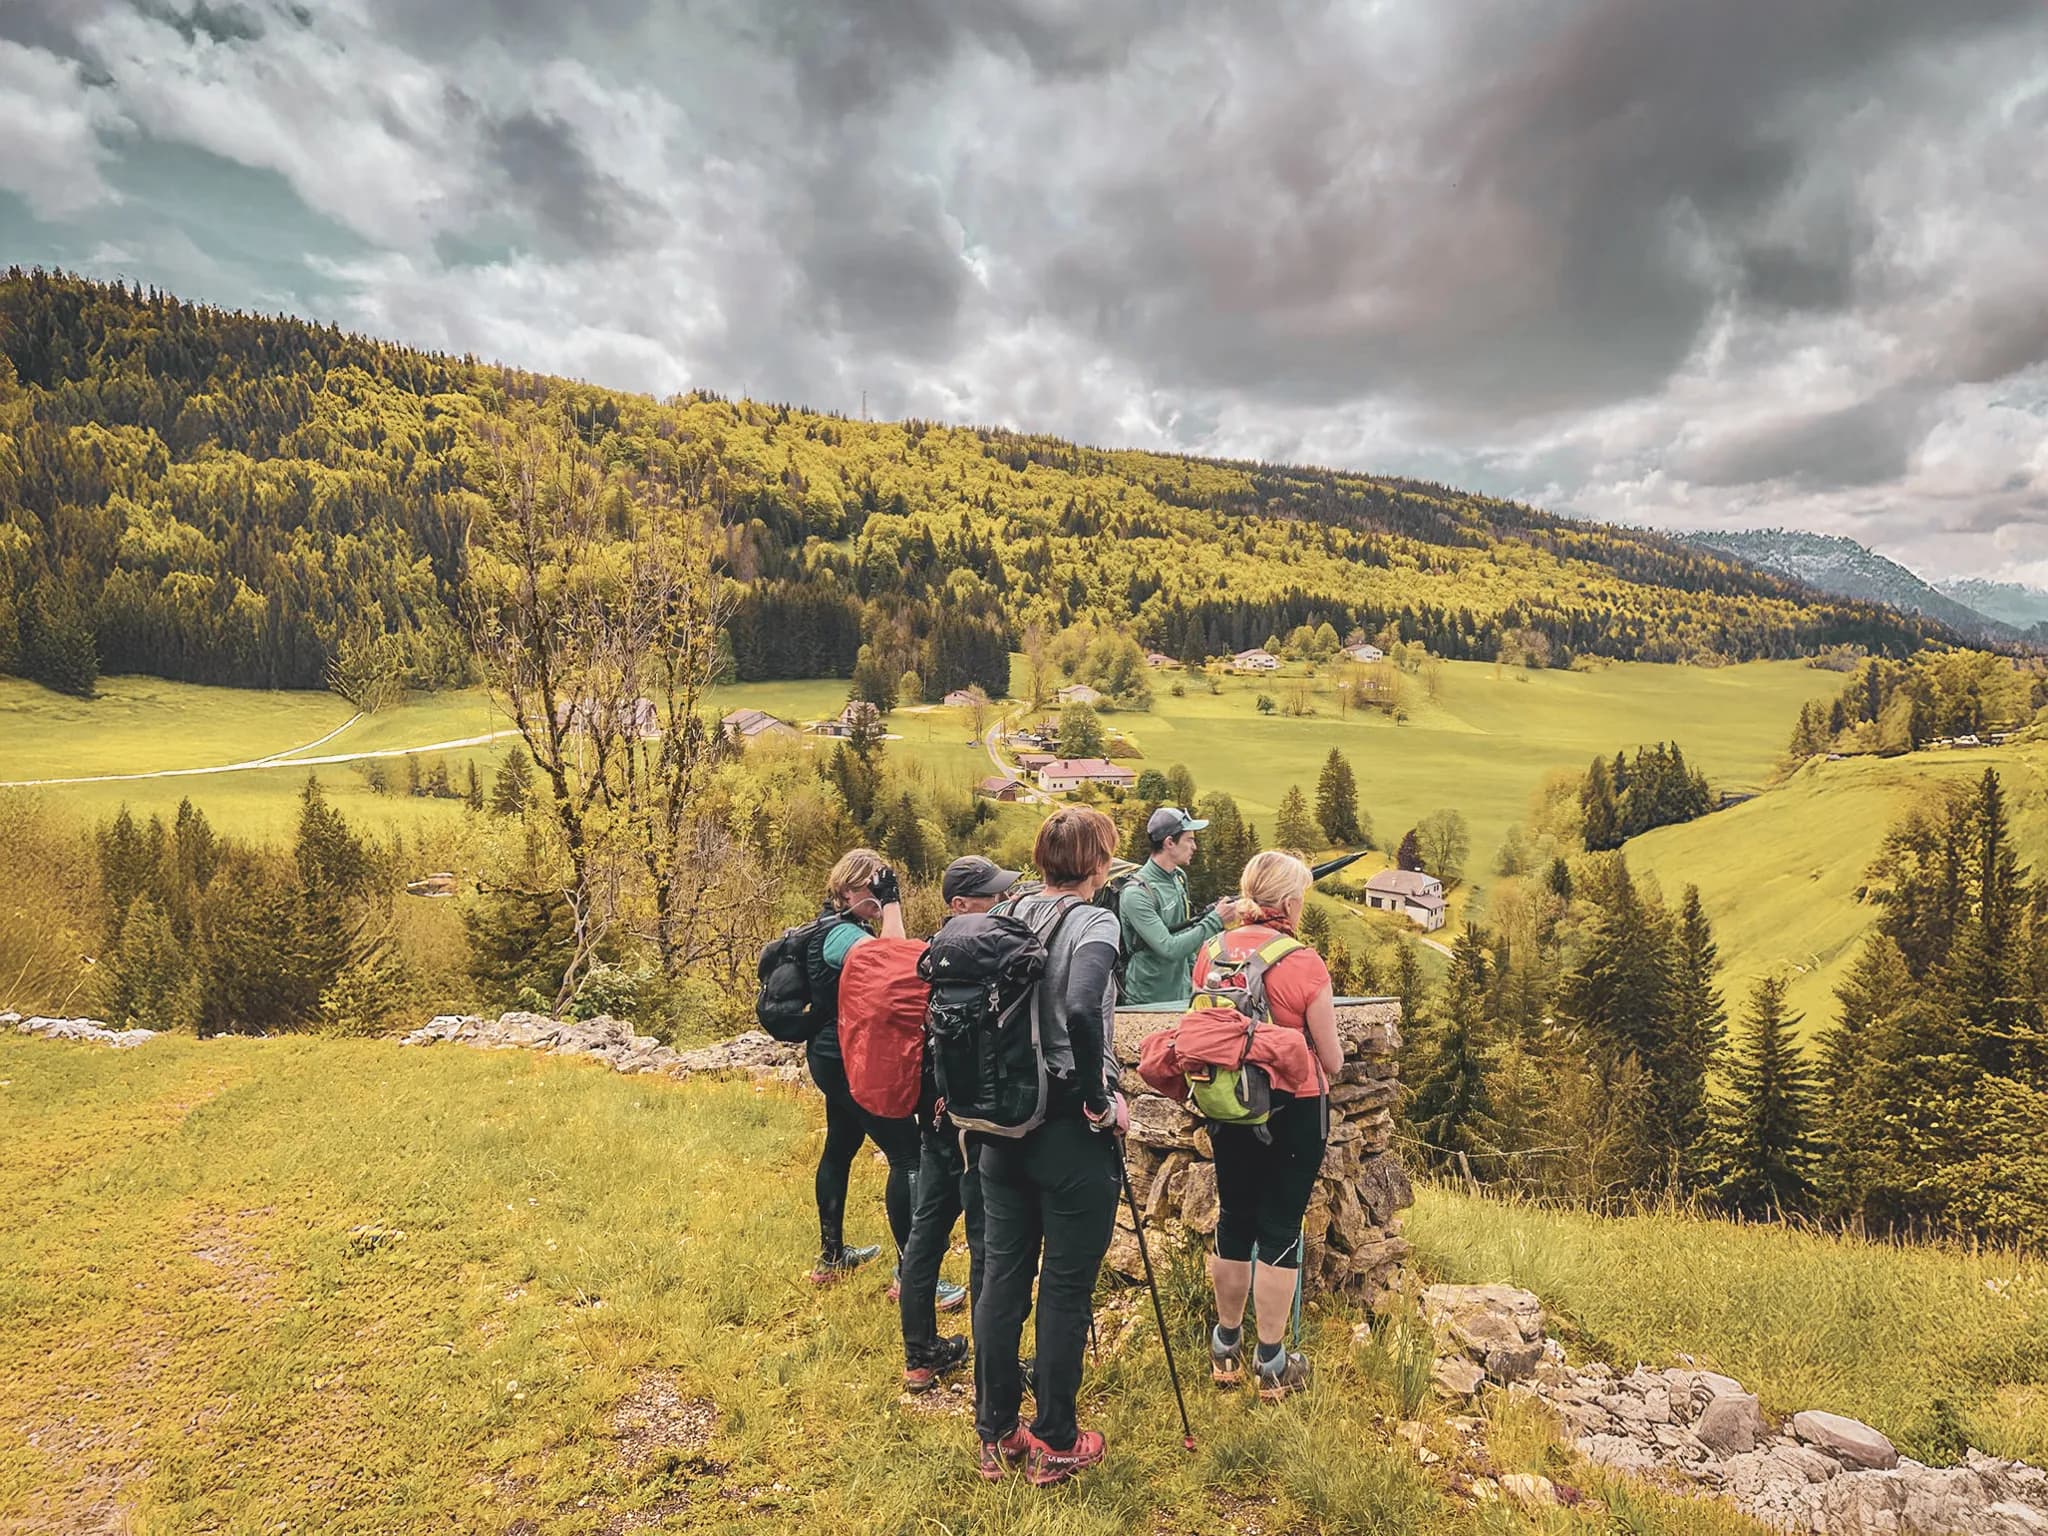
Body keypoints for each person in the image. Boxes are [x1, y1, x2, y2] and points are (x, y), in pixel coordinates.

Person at [973, 806, 1128, 1486]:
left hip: (1002, 1128)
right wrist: (1099, 1099)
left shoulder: (1008, 918)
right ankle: (1057, 1441)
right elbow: (1080, 1005)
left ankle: (996, 1431)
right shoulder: (1097, 922)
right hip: (1068, 1128)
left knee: (1003, 1280)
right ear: (1097, 862)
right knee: (1065, 1289)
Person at [1195, 850, 1345, 1400]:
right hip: (1293, 1108)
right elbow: (1329, 1060)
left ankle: (1224, 1347)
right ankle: (1273, 1361)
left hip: (1229, 1105)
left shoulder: (1210, 953)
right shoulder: (1303, 962)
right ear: (1288, 903)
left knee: (1234, 1217)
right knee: (1279, 1226)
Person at [895, 855, 1018, 1392]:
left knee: (926, 1234)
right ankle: (995, 1368)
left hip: (933, 1119)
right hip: (972, 1123)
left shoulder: (927, 957)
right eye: (990, 896)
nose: (1001, 902)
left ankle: (920, 1355)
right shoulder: (986, 958)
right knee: (983, 1239)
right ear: (959, 905)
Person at [804, 848, 924, 1284]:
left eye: (883, 888)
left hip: (831, 1056)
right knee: (908, 1155)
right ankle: (911, 1276)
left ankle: (832, 1258)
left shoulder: (834, 929)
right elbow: (895, 963)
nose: (879, 898)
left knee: (840, 1146)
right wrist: (892, 906)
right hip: (848, 1059)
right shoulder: (844, 937)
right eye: (873, 888)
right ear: (848, 889)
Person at [1119, 805, 1251, 1005]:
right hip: (1149, 1000)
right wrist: (1216, 920)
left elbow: (1185, 931)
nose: (1194, 847)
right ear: (1169, 842)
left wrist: (1193, 976)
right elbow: (1169, 948)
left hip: (1183, 992)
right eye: (1190, 840)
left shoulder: (1178, 877)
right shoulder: (1136, 894)